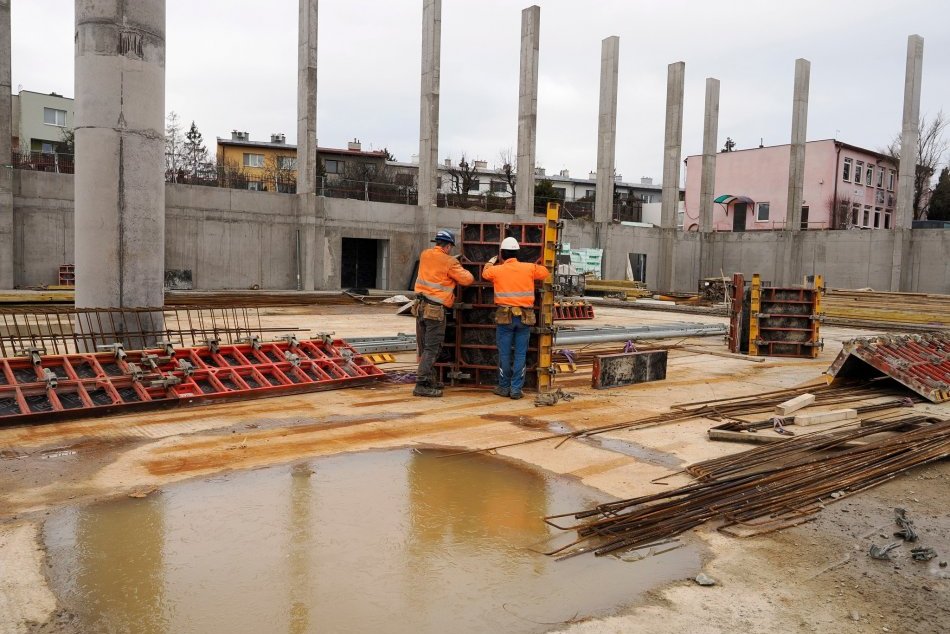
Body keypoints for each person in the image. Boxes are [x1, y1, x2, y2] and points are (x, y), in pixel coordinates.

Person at [482, 236, 549, 400]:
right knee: (520, 354)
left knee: (504, 354)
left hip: (505, 318)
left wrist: (490, 262)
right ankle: (516, 390)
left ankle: (504, 387)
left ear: (502, 254)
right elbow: (545, 272)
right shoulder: (529, 268)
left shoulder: (497, 270)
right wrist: (529, 265)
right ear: (517, 253)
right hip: (524, 318)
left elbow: (485, 274)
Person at [412, 230, 474, 397]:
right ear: (448, 247)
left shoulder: (425, 254)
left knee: (425, 346)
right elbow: (468, 279)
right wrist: (455, 266)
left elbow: (435, 271)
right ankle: (421, 384)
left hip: (420, 307)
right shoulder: (449, 262)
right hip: (434, 310)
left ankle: (429, 379)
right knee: (433, 348)